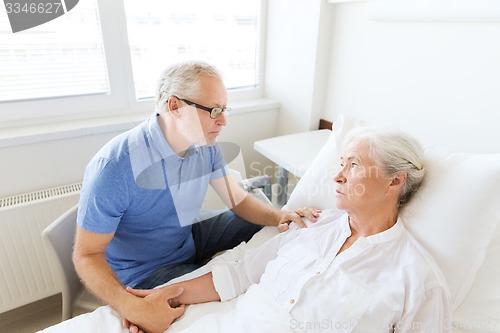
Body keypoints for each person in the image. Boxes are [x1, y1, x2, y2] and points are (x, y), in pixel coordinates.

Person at [126, 126, 452, 333]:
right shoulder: (311, 223)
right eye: (341, 163)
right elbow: (241, 274)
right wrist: (161, 295)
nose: (338, 176)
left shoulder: (417, 279)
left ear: (395, 181)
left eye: (353, 165)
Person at [72, 60, 319, 333]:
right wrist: (131, 306)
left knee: (271, 224)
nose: (223, 121)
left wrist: (278, 215)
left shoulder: (204, 144)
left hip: (186, 235)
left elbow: (236, 199)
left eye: (224, 110)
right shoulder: (116, 166)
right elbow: (86, 254)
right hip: (146, 269)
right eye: (214, 110)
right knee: (229, 295)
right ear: (174, 106)